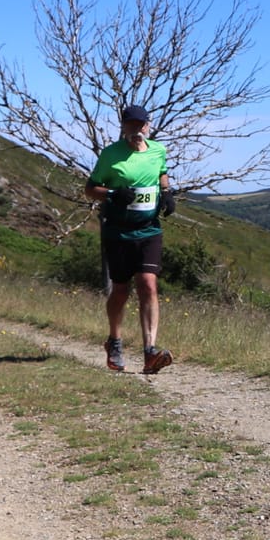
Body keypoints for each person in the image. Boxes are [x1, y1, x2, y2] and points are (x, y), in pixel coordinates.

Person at [85, 104, 175, 373]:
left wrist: (168, 192)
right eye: (132, 125)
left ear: (148, 125)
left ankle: (150, 351)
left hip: (149, 228)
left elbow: (161, 172)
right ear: (123, 127)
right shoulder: (111, 154)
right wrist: (112, 194)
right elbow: (90, 189)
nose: (138, 130)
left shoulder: (158, 150)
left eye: (142, 125)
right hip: (119, 231)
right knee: (121, 290)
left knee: (148, 284)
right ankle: (114, 341)